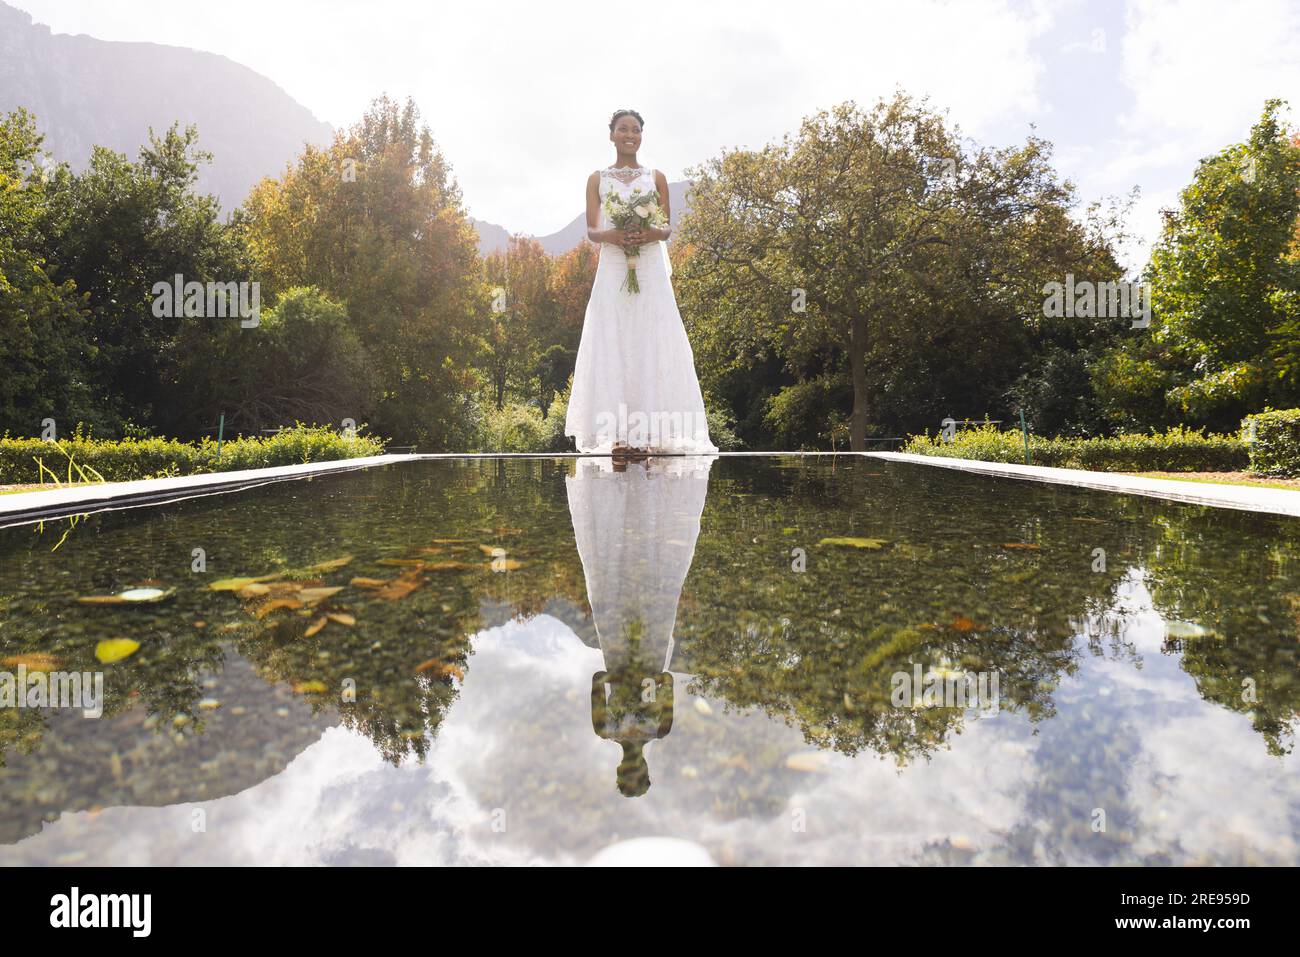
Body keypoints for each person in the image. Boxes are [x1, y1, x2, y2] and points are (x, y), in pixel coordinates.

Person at [564, 108, 718, 457]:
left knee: (652, 338)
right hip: (614, 265)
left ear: (641, 136)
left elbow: (666, 227)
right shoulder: (597, 179)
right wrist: (613, 235)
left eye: (635, 129)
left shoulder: (657, 177)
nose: (629, 134)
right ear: (612, 135)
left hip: (648, 267)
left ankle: (650, 435)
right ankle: (617, 436)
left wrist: (649, 233)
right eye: (622, 128)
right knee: (614, 337)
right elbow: (591, 230)